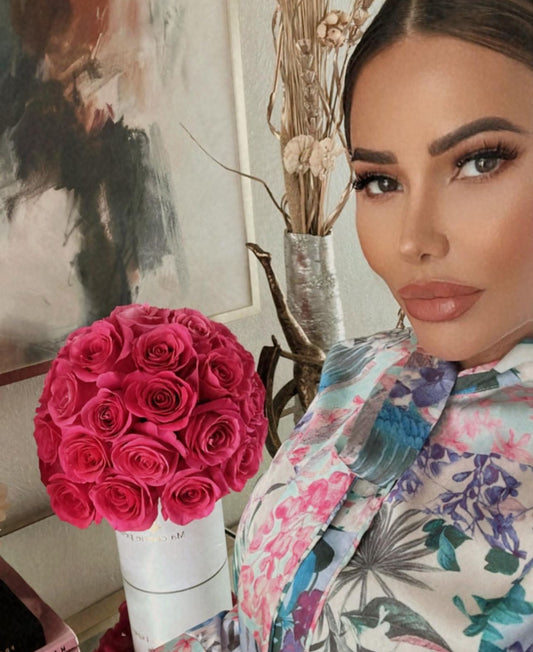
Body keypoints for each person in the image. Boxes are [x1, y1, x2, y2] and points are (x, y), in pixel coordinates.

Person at [166, 1, 533, 650]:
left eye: (479, 161)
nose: (412, 240)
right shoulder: (360, 368)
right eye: (380, 181)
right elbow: (254, 624)